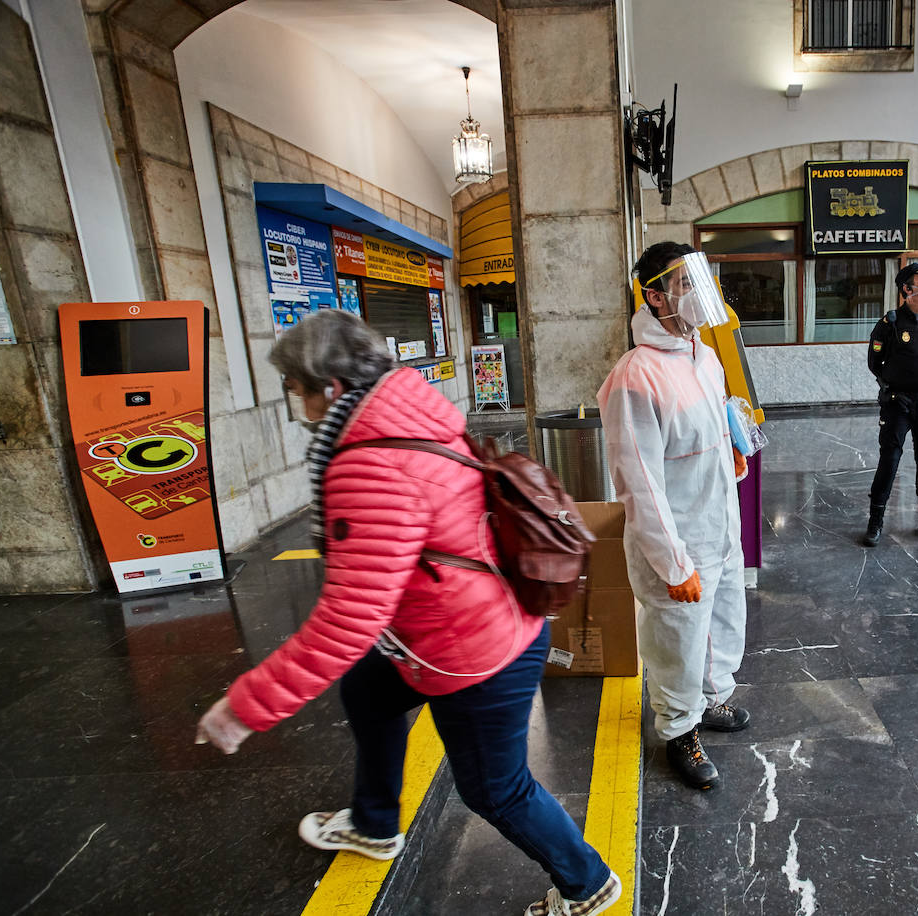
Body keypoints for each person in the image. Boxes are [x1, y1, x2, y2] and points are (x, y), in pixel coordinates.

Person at [194, 310, 620, 916]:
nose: (294, 400)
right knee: (370, 691)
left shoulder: (367, 461)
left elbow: (348, 619)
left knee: (496, 791)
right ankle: (373, 825)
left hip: (473, 653)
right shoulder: (408, 415)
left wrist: (245, 707)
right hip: (467, 619)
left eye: (295, 386)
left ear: (331, 389)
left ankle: (588, 884)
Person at [597, 241, 749, 791]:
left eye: (697, 281)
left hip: (719, 523)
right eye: (683, 284)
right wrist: (672, 561)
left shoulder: (703, 356)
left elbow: (706, 426)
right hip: (680, 539)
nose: (695, 294)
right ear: (654, 294)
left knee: (723, 622)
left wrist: (728, 448)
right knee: (677, 641)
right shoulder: (634, 377)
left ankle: (712, 700)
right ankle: (678, 730)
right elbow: (638, 482)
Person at [862, 261, 918, 547]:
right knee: (889, 460)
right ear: (906, 287)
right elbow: (875, 363)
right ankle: (875, 521)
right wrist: (891, 388)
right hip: (897, 403)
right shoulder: (890, 324)